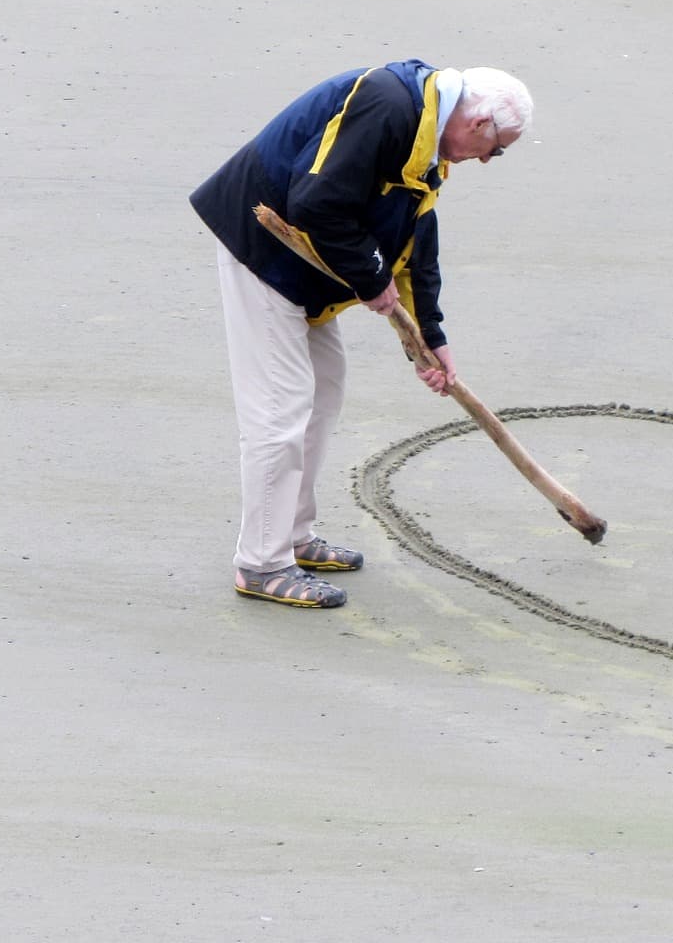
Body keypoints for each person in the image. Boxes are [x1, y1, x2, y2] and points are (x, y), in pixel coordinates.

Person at [190, 60, 531, 608]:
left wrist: (429, 339)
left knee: (324, 390)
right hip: (262, 250)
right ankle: (261, 563)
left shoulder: (427, 140)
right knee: (280, 410)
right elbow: (314, 203)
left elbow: (415, 238)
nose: (488, 160)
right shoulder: (390, 105)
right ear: (479, 123)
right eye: (497, 148)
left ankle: (292, 537)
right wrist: (372, 282)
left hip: (305, 267)